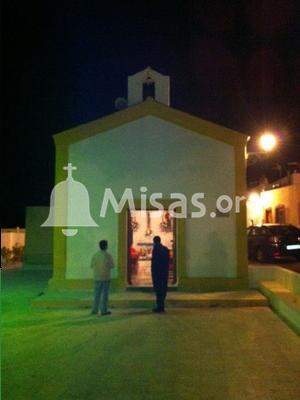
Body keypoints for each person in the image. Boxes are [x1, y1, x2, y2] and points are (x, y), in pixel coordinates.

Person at [90, 240, 115, 316]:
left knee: (96, 294)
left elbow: (91, 265)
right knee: (104, 295)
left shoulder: (95, 255)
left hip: (97, 277)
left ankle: (94, 310)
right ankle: (103, 310)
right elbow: (112, 266)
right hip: (105, 277)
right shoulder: (108, 256)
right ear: (106, 246)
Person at [151, 236, 170, 313]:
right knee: (163, 289)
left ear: (154, 241)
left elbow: (155, 262)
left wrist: (153, 272)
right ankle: (162, 306)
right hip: (164, 272)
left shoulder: (156, 249)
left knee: (158, 290)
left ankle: (160, 307)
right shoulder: (165, 249)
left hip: (157, 273)